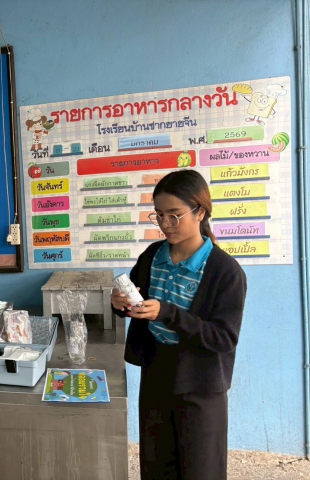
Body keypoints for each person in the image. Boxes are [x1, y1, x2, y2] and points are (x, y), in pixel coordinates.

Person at [111, 169, 246, 480]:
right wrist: (120, 305)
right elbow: (137, 303)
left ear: (200, 212)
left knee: (201, 470)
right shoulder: (153, 256)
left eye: (174, 215)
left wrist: (168, 313)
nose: (165, 224)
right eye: (159, 215)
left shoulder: (225, 271)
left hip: (200, 385)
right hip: (156, 374)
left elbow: (223, 337)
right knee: (156, 466)